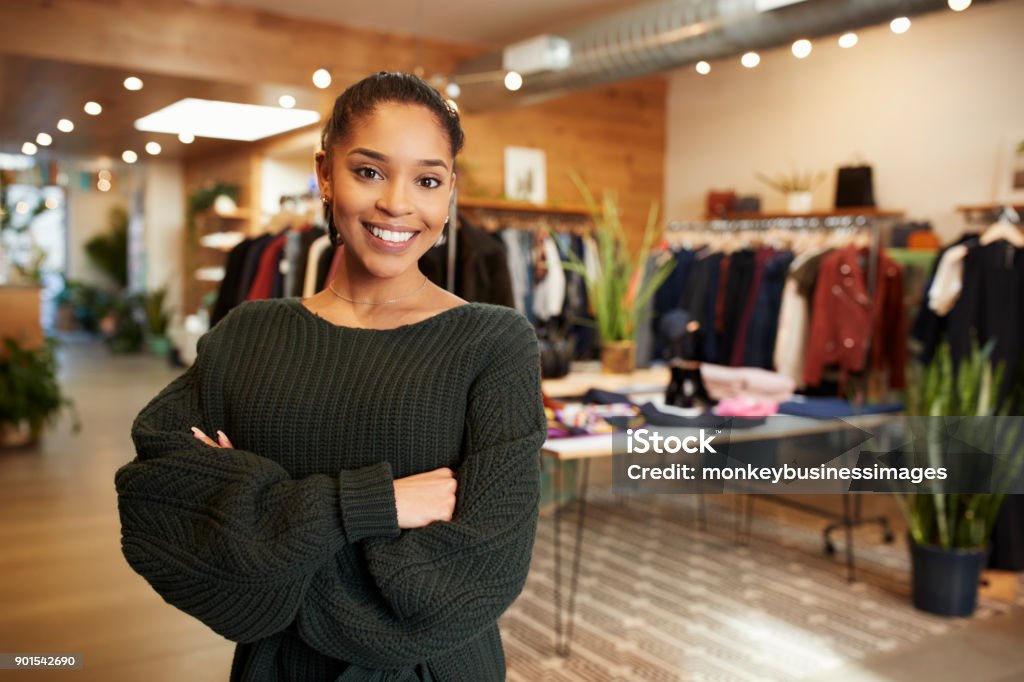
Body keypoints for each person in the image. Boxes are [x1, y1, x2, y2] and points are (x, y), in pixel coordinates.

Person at [115, 72, 546, 682]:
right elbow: (158, 504)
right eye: (369, 171)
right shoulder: (248, 335)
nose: (398, 203)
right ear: (324, 174)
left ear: (449, 193)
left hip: (432, 669)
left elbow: (480, 571)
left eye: (427, 179)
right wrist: (372, 504)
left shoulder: (493, 343)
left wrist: (269, 539)